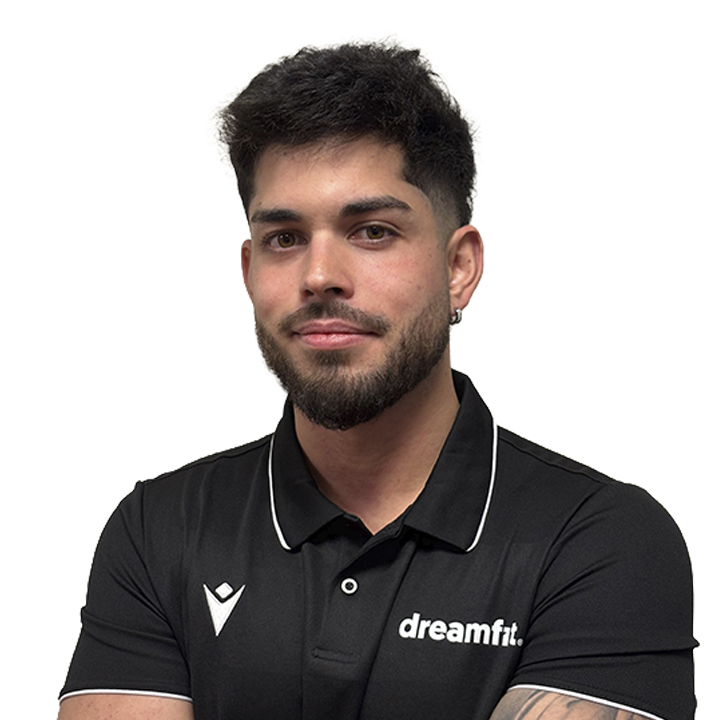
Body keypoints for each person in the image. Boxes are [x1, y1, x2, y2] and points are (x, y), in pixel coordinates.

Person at [57, 43, 697, 720]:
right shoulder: (160, 531)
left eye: (371, 231)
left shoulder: (600, 540)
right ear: (249, 271)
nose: (319, 276)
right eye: (284, 238)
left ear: (459, 268)